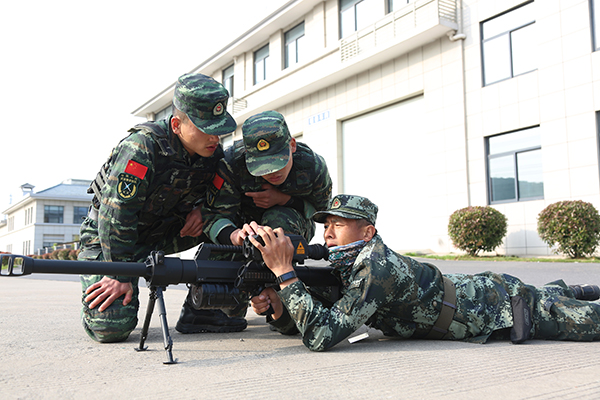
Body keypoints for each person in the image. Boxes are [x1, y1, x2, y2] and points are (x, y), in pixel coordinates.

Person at [250, 194, 600, 351]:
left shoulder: (376, 267)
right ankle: (574, 289)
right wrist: (280, 306)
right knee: (551, 297)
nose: (327, 232)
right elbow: (317, 315)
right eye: (326, 225)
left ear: (366, 233)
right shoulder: (348, 267)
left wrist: (285, 273)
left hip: (498, 305)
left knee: (584, 322)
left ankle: (563, 296)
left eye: (338, 225)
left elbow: (322, 335)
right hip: (480, 293)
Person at [79, 73, 246, 343]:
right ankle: (108, 294)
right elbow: (115, 218)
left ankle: (206, 308)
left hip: (164, 231)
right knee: (111, 327)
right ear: (177, 125)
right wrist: (121, 274)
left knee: (230, 227)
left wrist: (202, 209)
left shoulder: (212, 154)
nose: (215, 136)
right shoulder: (142, 147)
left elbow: (222, 200)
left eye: (218, 128)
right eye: (206, 128)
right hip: (110, 240)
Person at [202, 110, 332, 246]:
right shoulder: (231, 163)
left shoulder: (313, 166)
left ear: (292, 145)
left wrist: (285, 200)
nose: (272, 172)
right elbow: (213, 216)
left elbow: (322, 212)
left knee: (279, 219)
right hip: (241, 227)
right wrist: (235, 235)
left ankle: (282, 265)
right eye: (261, 165)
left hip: (290, 223)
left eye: (278, 162)